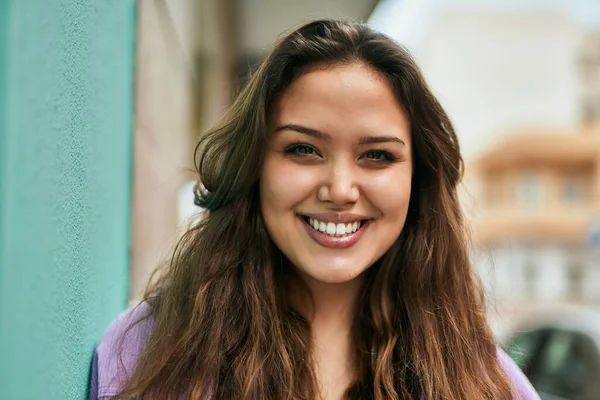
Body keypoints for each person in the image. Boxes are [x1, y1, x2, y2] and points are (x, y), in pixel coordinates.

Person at [89, 19, 539, 400]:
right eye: (303, 148)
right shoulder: (145, 351)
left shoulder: (487, 384)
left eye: (377, 155)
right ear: (255, 165)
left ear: (417, 180)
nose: (340, 190)